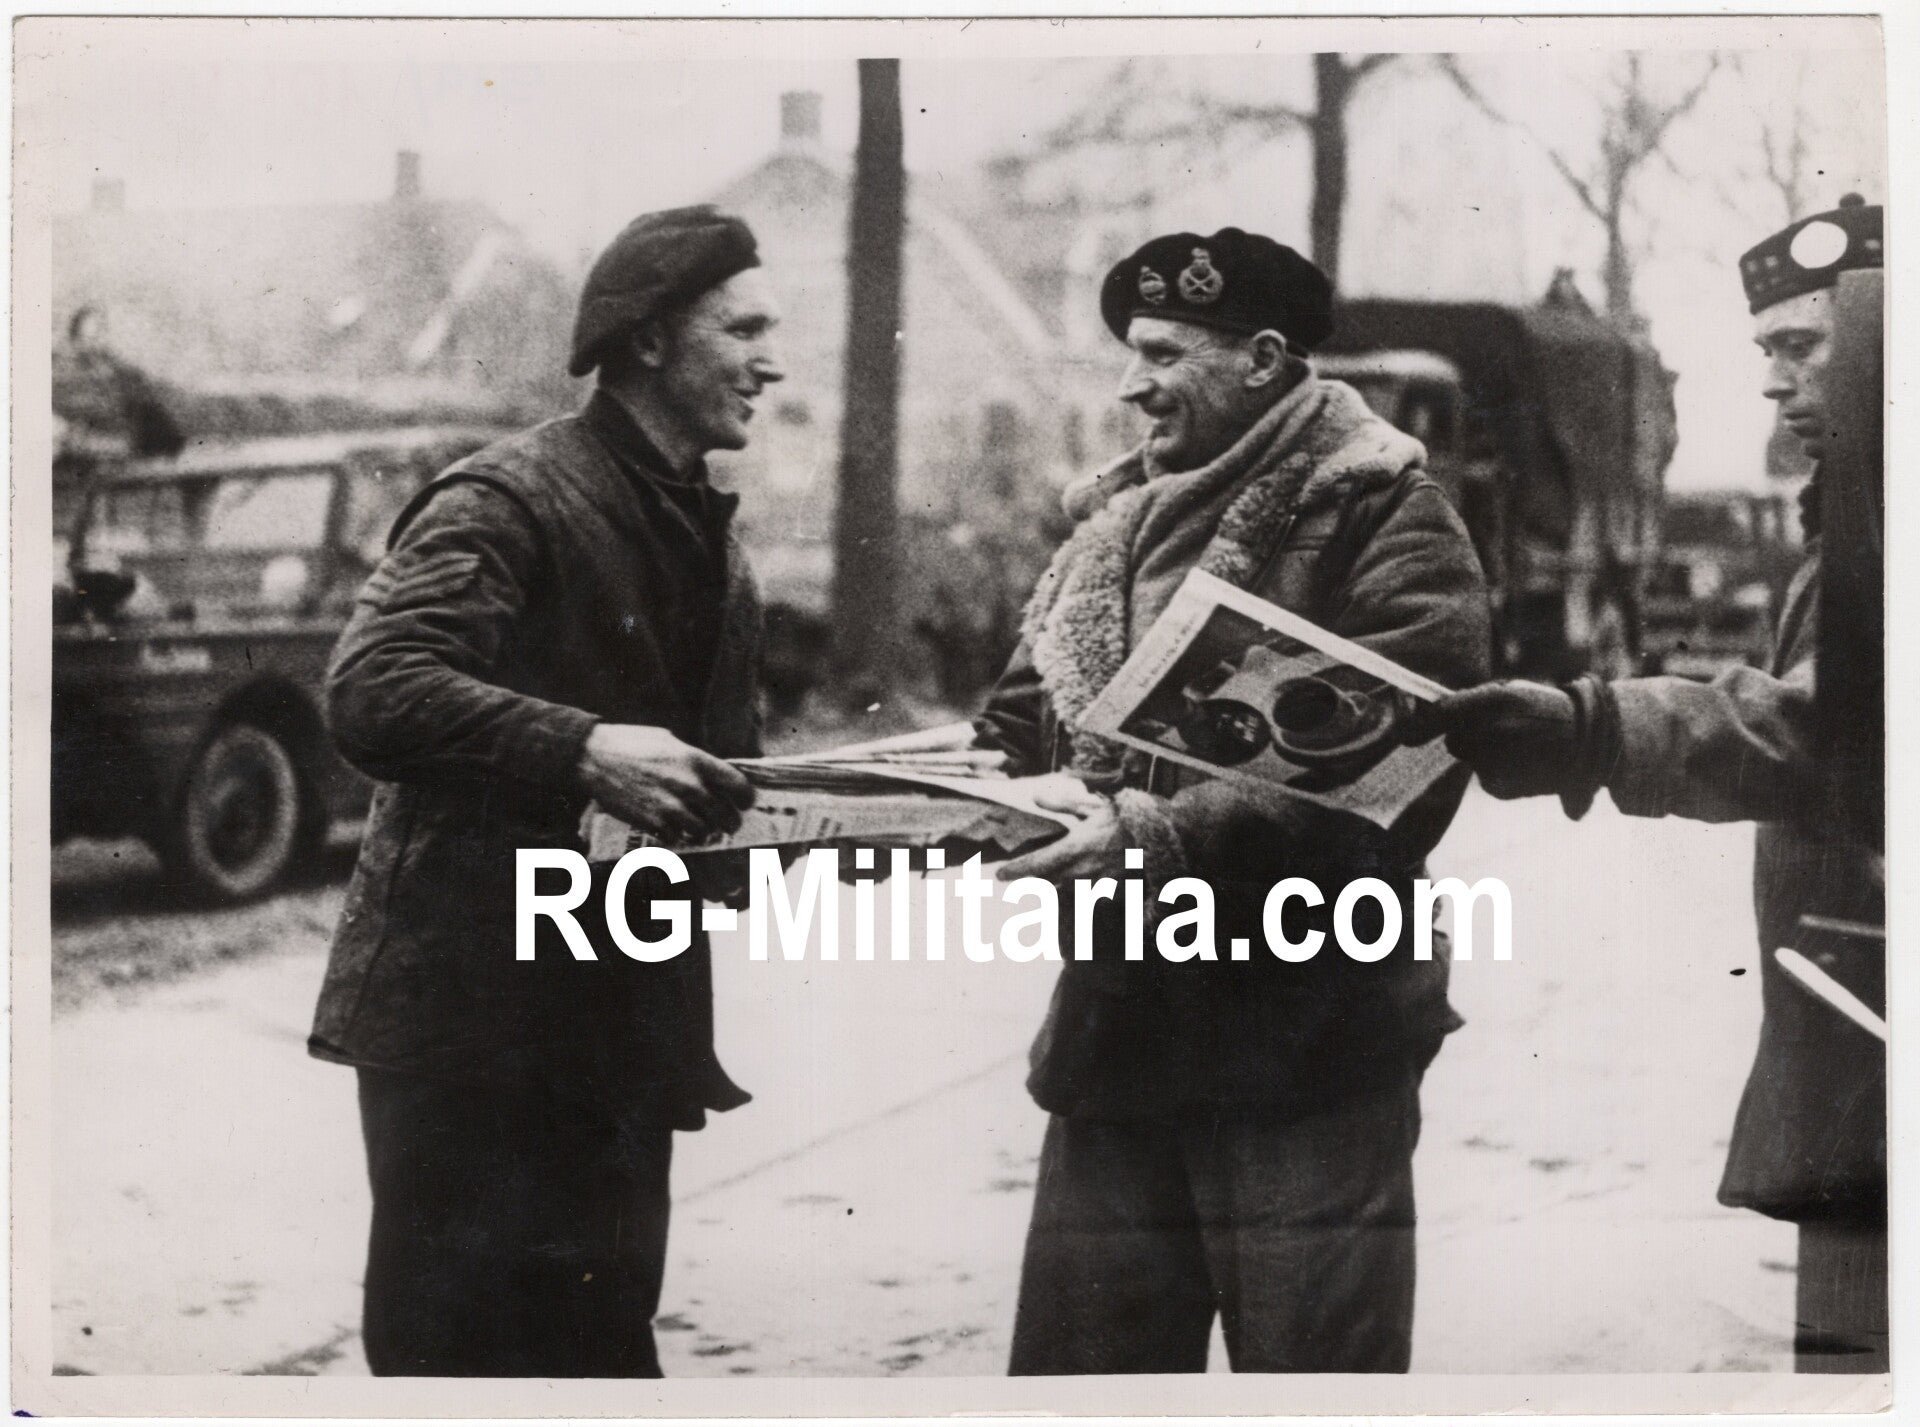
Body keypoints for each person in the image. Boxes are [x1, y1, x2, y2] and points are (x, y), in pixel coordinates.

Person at [973, 228, 1493, 1373]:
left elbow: (1408, 760)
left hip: (1304, 1045)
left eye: (1162, 351)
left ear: (1262, 358)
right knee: (1081, 1377)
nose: (1130, 382)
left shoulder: (1383, 512)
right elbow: (1019, 721)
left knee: (1312, 1377)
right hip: (1118, 1032)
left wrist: (1159, 831)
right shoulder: (1106, 528)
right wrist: (950, 794)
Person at [308, 205, 783, 1377]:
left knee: (601, 1349)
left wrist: (901, 822)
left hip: (617, 1030)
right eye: (745, 329)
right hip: (473, 1034)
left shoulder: (711, 539)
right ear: (652, 344)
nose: (772, 360)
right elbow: (372, 687)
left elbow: (724, 793)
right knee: (461, 1364)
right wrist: (579, 747)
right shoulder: (509, 498)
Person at [1415, 196, 1886, 1375]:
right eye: (1764, 352)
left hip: (1884, 1023)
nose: (1774, 387)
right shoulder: (1865, 503)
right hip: (1856, 1014)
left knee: (1870, 1345)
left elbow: (1825, 725)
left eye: (1802, 346)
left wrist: (1591, 727)